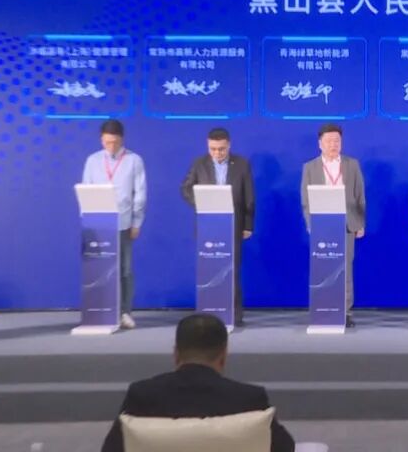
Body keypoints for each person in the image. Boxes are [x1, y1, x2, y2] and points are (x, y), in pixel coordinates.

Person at [101, 313, 295, 452]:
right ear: (223, 356)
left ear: (176, 354)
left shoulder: (142, 394)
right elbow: (285, 447)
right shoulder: (249, 398)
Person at [180, 128, 255, 326]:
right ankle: (207, 312)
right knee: (209, 268)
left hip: (234, 223)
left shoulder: (242, 164)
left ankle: (235, 315)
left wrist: (248, 224)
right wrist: (201, 201)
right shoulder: (199, 163)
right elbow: (186, 188)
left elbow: (249, 196)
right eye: (212, 149)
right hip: (208, 224)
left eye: (221, 149)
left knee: (232, 269)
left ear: (229, 145)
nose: (217, 153)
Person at [300, 123, 366, 328]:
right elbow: (305, 200)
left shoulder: (352, 164)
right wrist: (310, 224)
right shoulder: (310, 167)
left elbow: (360, 195)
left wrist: (360, 223)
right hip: (321, 225)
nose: (333, 144)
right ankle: (322, 308)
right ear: (320, 144)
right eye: (329, 141)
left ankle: (344, 312)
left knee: (345, 269)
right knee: (323, 267)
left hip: (347, 224)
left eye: (337, 140)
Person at [82, 119, 146, 330]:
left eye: (115, 142)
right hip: (98, 223)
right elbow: (85, 190)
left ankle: (125, 312)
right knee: (99, 268)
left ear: (122, 139)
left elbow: (140, 194)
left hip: (124, 222)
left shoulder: (134, 160)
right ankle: (101, 310)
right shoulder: (92, 160)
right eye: (107, 142)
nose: (111, 146)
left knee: (125, 269)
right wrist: (87, 220)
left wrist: (137, 222)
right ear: (101, 139)